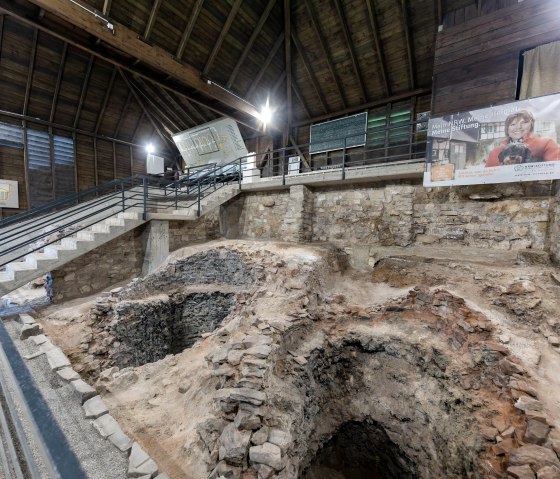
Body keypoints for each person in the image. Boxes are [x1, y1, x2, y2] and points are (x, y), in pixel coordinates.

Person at [485, 110, 560, 167]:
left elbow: (554, 170)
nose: (518, 127)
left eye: (524, 123)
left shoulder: (546, 144)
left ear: (531, 125)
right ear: (507, 129)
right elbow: (486, 179)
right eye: (513, 124)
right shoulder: (495, 152)